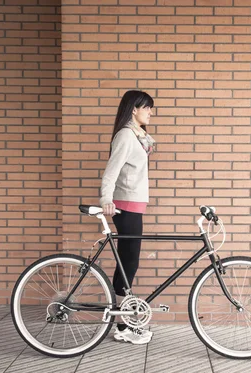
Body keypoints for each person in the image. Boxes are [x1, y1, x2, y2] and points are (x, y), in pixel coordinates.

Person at [100, 90, 156, 345]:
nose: (150, 112)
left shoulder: (138, 136)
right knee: (128, 262)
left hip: (134, 205)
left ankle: (124, 321)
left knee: (128, 261)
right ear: (134, 109)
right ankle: (123, 325)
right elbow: (111, 171)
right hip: (125, 207)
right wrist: (105, 200)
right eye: (147, 108)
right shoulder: (125, 135)